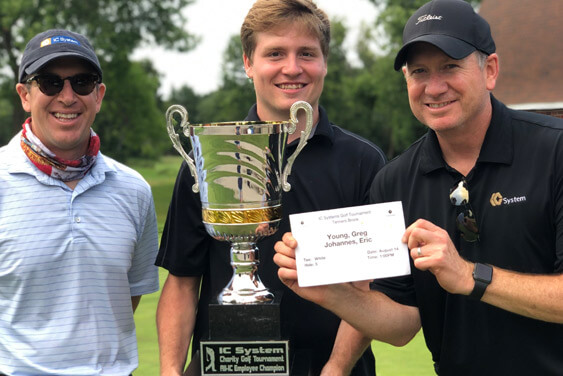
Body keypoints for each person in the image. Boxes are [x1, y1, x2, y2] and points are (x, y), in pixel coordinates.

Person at [273, 0, 563, 375]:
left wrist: (470, 276)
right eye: (419, 71)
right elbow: (402, 324)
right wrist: (332, 293)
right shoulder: (394, 181)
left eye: (450, 67)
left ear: (489, 70)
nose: (434, 86)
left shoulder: (554, 150)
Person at [155, 0, 387, 375]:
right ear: (248, 63)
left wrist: (336, 368)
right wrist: (170, 372)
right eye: (275, 53)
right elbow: (182, 284)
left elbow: (369, 286)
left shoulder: (364, 163)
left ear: (324, 62)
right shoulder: (207, 158)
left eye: (307, 54)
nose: (292, 68)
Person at [0, 29, 159, 375]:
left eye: (83, 82)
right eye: (50, 83)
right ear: (25, 95)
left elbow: (128, 295)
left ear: (98, 96)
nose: (68, 97)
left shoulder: (134, 190)